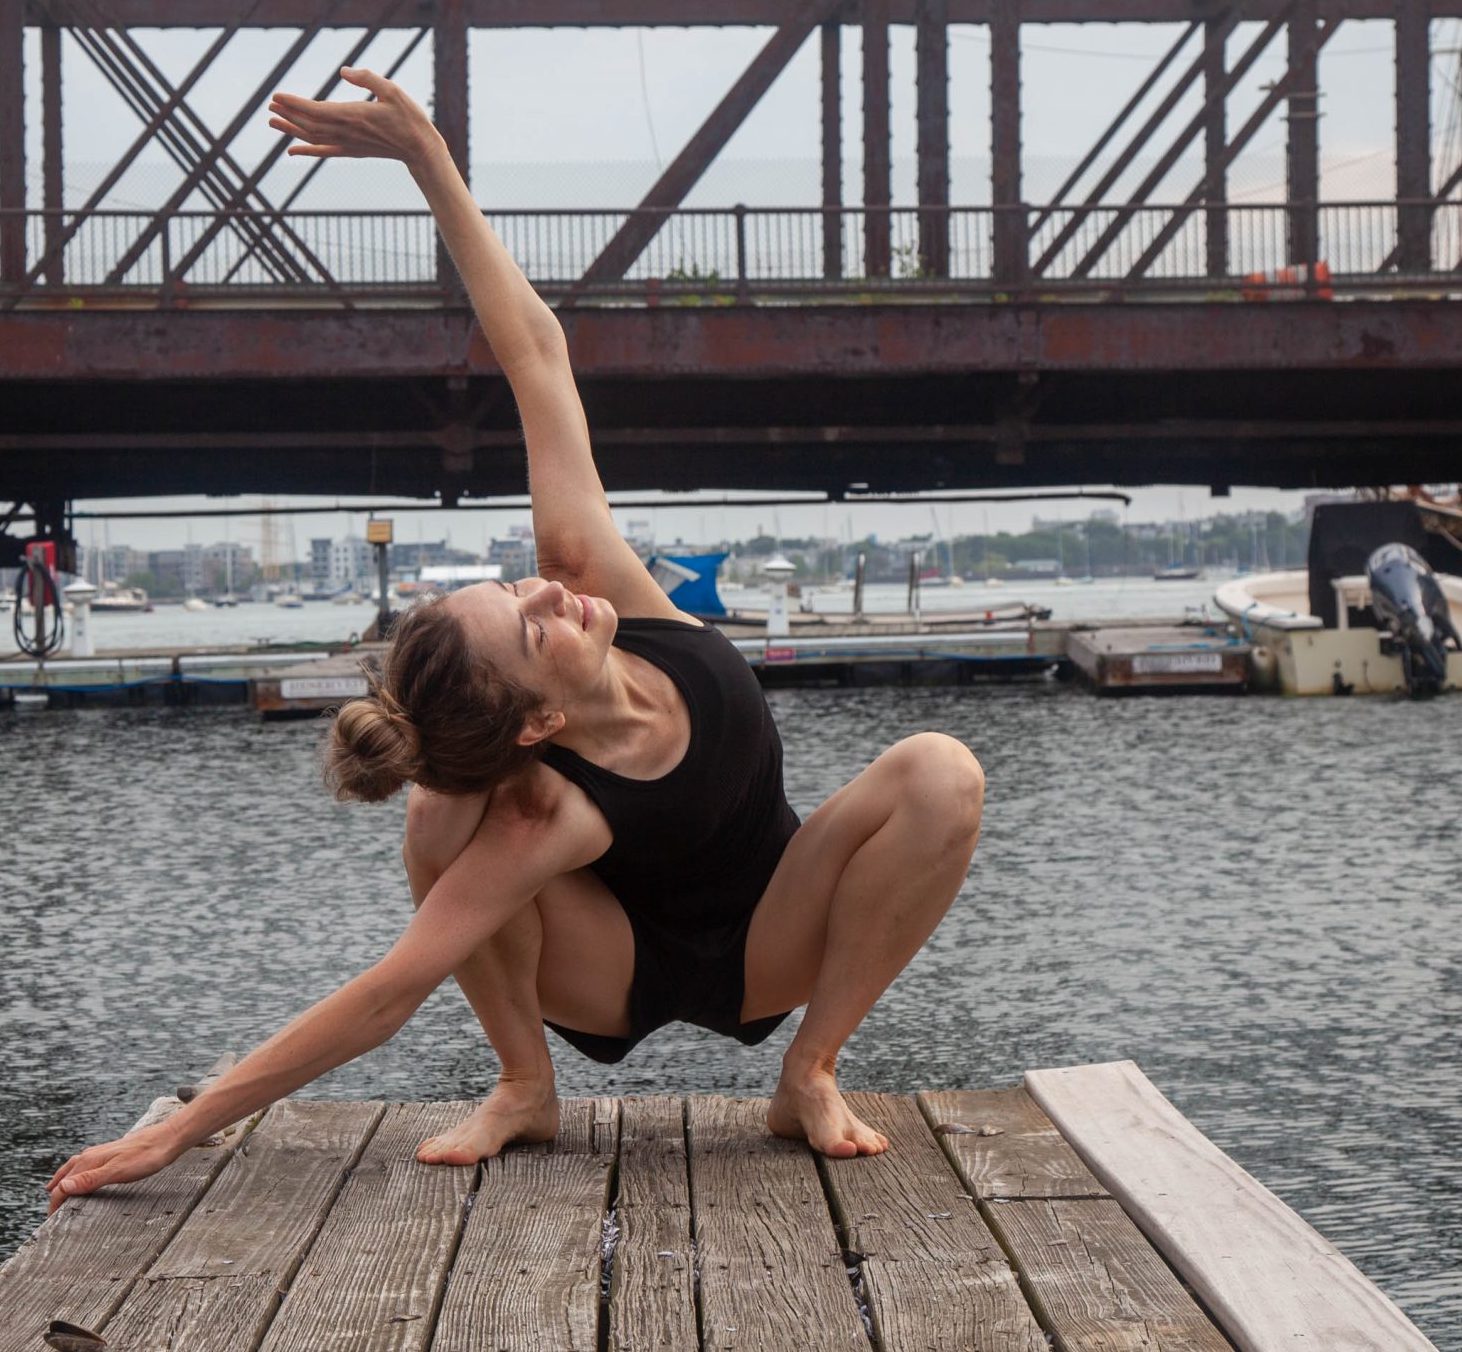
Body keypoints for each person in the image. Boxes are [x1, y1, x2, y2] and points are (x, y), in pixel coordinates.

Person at [47, 68, 984, 1211]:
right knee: (439, 814)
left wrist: (427, 162)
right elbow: (389, 992)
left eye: (519, 588)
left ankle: (810, 1071)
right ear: (539, 721)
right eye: (534, 627)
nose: (553, 595)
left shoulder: (601, 582)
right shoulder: (544, 809)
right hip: (613, 969)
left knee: (940, 771)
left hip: (768, 941)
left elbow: (535, 352)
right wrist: (183, 1131)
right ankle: (524, 1084)